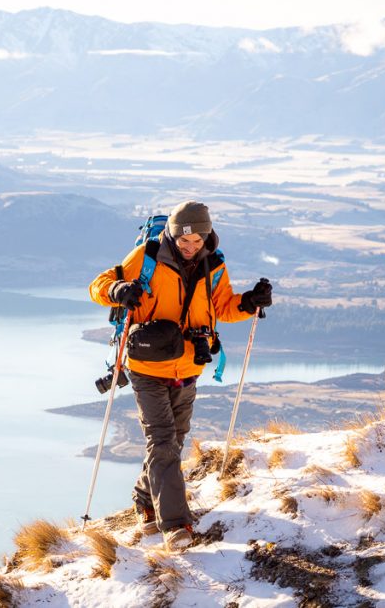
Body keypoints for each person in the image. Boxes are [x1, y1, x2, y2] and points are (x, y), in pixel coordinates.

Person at [88, 200, 273, 551]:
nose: (190, 248)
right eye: (184, 241)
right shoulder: (147, 257)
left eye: (197, 242)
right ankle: (175, 524)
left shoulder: (214, 266)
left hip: (188, 366)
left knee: (173, 442)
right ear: (172, 234)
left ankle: (144, 499)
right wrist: (118, 290)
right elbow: (99, 285)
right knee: (161, 440)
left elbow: (223, 308)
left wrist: (250, 301)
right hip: (146, 367)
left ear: (207, 238)